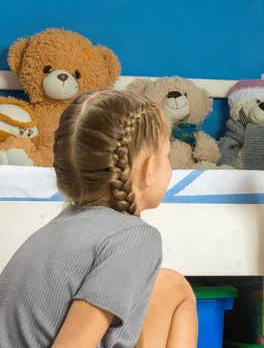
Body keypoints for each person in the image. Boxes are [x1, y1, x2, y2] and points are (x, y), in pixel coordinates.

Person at [0, 89, 198, 347]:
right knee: (177, 290)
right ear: (149, 169)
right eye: (167, 154)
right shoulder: (134, 237)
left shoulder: (59, 228)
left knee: (170, 284)